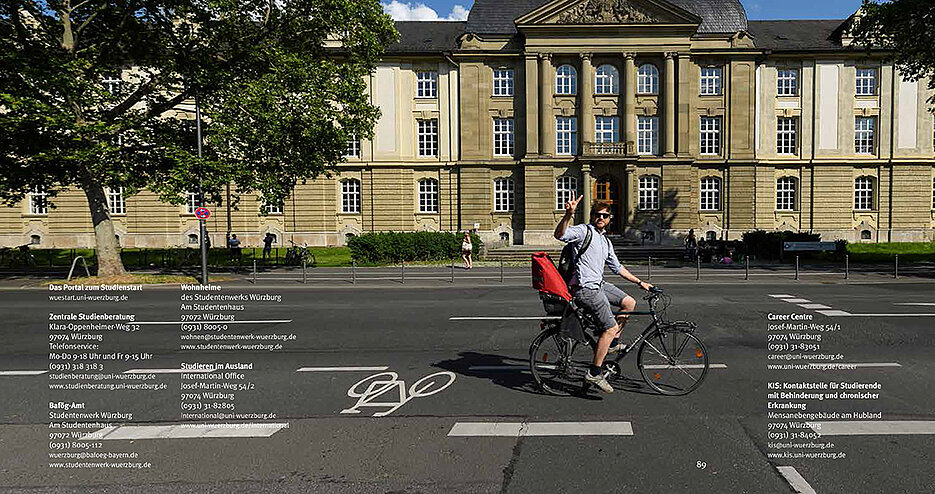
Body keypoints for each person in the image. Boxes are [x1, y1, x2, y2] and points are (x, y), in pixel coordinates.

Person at [554, 194, 653, 394]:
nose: (601, 218)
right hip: (586, 289)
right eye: (598, 215)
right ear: (592, 217)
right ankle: (594, 372)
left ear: (610, 219)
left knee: (629, 302)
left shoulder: (605, 242)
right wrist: (568, 215)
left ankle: (613, 343)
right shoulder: (584, 232)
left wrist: (640, 282)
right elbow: (560, 235)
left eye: (605, 215)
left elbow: (617, 268)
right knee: (610, 327)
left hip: (599, 285)